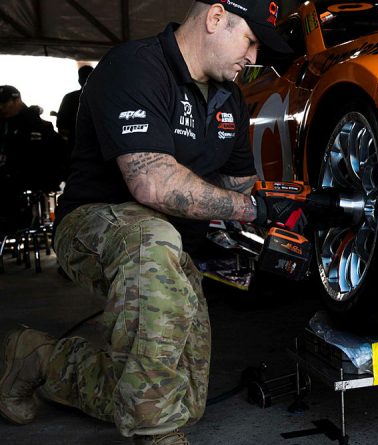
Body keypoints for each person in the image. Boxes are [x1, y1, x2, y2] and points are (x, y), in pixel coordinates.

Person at [0, 1, 293, 444]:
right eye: (250, 41)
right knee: (151, 241)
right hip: (94, 225)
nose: (253, 59)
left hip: (171, 249)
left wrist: (289, 212)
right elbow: (152, 183)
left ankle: (39, 359)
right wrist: (249, 209)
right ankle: (156, 436)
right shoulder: (135, 67)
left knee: (182, 399)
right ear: (216, 19)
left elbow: (242, 187)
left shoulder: (228, 99)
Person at [0, 85, 64, 233]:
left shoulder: (33, 124)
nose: (1, 107)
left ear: (16, 100)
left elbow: (54, 154)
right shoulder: (5, 124)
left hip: (30, 179)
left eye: (4, 103)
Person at [56, 65, 94, 156]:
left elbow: (61, 127)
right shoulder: (104, 98)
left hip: (76, 149)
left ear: (79, 81)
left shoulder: (69, 98)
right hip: (99, 150)